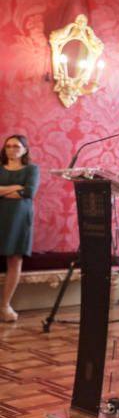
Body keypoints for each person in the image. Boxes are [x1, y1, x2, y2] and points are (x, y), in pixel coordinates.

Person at [0, 135, 40, 322]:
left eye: (16, 146)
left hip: (19, 220)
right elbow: (21, 191)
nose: (12, 149)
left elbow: (29, 192)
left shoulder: (32, 170)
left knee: (14, 259)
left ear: (25, 149)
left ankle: (5, 306)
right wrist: (16, 188)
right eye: (8, 146)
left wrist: (3, 190)